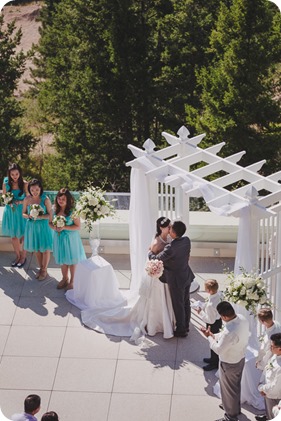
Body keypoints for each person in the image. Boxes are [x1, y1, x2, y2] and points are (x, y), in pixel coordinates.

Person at [81, 217, 175, 339]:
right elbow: (151, 257)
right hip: (156, 275)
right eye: (168, 227)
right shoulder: (157, 243)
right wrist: (155, 268)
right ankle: (155, 323)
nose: (170, 229)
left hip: (163, 274)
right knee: (155, 299)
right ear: (162, 228)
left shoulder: (167, 238)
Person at [201, 301, 249, 421]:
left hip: (229, 363)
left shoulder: (230, 332)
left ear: (224, 316)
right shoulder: (242, 318)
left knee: (228, 389)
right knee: (235, 387)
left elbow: (218, 349)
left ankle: (230, 417)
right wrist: (213, 335)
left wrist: (208, 338)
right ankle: (234, 408)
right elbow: (224, 336)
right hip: (240, 358)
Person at [148, 220, 194, 337]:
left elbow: (156, 258)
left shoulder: (171, 247)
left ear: (174, 233)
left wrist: (149, 253)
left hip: (176, 280)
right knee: (185, 302)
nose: (169, 231)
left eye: (171, 229)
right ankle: (186, 326)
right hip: (186, 276)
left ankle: (181, 330)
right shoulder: (186, 240)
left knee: (178, 305)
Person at [50, 188, 86, 290]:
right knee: (63, 260)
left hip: (71, 239)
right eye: (59, 198)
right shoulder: (54, 209)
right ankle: (64, 278)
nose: (60, 201)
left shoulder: (73, 212)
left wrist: (64, 227)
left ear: (68, 200)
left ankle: (72, 280)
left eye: (63, 199)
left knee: (72, 261)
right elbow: (50, 223)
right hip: (59, 238)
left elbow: (78, 226)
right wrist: (55, 228)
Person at [22, 179, 53, 281]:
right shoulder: (27, 199)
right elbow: (23, 213)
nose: (34, 192)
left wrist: (40, 217)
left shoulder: (45, 199)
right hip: (32, 227)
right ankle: (41, 268)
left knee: (45, 249)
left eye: (37, 189)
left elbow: (50, 214)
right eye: (32, 190)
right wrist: (29, 216)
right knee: (36, 249)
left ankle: (44, 270)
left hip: (44, 227)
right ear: (29, 190)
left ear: (40, 189)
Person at [2, 163, 28, 267]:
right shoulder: (6, 183)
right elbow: (4, 198)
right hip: (11, 212)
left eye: (16, 174)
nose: (15, 176)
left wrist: (20, 202)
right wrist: (9, 201)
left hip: (21, 212)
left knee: (23, 235)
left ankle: (23, 257)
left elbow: (28, 198)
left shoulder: (25, 184)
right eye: (12, 174)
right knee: (14, 237)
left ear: (20, 173)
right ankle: (17, 256)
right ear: (9, 174)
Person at [196, 279, 223, 371]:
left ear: (209, 290)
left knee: (213, 342)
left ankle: (214, 363)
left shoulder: (211, 305)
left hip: (213, 325)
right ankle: (213, 359)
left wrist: (200, 313)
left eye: (206, 288)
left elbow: (210, 320)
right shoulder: (219, 295)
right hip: (218, 321)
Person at [257, 333, 281, 421]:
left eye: (272, 346)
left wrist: (262, 388)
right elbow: (266, 369)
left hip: (275, 396)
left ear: (280, 349)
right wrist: (261, 383)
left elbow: (275, 386)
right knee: (268, 411)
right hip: (267, 392)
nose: (270, 348)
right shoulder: (275, 355)